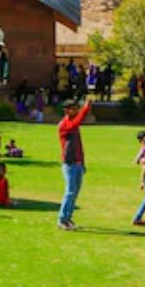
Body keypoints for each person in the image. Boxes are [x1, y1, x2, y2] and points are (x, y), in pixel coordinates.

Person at [57, 97, 93, 230]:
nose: (77, 111)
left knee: (75, 192)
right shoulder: (64, 125)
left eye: (78, 108)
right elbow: (76, 123)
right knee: (70, 192)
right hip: (69, 163)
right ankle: (62, 219)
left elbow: (79, 145)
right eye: (74, 109)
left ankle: (68, 217)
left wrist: (82, 162)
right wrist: (86, 108)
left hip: (77, 163)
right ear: (67, 111)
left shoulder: (74, 125)